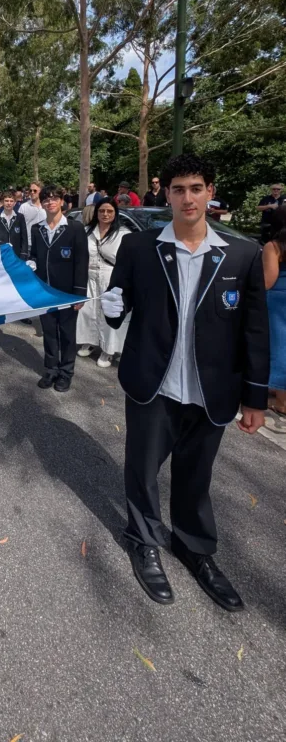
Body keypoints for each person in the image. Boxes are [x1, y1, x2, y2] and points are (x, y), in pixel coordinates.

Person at [101, 153, 268, 611]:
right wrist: (112, 309)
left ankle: (194, 548)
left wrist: (256, 398)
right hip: (154, 383)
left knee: (196, 476)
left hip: (212, 388)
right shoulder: (140, 248)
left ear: (210, 192)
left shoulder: (242, 253)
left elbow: (255, 330)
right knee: (143, 469)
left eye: (196, 188)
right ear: (167, 194)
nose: (187, 197)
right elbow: (120, 304)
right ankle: (143, 538)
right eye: (178, 189)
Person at [28, 184, 89, 393]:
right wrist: (30, 264)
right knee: (49, 332)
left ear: (62, 201)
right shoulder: (37, 229)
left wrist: (80, 293)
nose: (50, 202)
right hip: (44, 291)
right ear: (41, 203)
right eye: (45, 199)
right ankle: (51, 369)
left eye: (54, 198)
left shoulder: (75, 228)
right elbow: (34, 255)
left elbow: (82, 262)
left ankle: (66, 372)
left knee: (67, 333)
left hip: (67, 292)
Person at [77, 198, 131, 367]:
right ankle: (90, 341)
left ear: (115, 213)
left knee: (109, 313)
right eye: (102, 211)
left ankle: (109, 350)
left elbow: (128, 261)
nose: (105, 214)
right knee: (88, 311)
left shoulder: (123, 234)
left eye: (109, 211)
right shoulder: (87, 231)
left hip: (111, 277)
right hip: (89, 276)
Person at [262, 206, 286, 432]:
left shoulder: (274, 246)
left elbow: (267, 280)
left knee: (279, 346)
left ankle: (281, 401)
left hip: (279, 300)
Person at [0, 190, 29, 259]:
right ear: (3, 202)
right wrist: (2, 244)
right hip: (1, 254)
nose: (9, 203)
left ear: (15, 203)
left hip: (16, 254)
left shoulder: (20, 217)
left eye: (11, 201)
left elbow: (24, 237)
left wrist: (24, 253)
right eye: (6, 201)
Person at [19, 182, 47, 248]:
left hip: (44, 243)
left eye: (35, 190)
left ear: (41, 191)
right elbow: (18, 226)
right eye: (30, 190)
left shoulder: (47, 206)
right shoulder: (23, 207)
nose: (32, 192)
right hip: (28, 244)